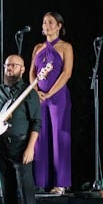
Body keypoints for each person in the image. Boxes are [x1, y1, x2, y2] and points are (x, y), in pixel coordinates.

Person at [0, 54, 41, 204]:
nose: (9, 69)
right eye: (7, 66)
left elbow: (36, 123)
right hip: (2, 148)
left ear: (22, 70)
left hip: (21, 147)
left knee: (26, 194)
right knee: (7, 194)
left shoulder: (29, 93)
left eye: (14, 66)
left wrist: (30, 148)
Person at [31, 11, 74, 193]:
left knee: (60, 138)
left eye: (50, 22)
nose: (46, 26)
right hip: (39, 96)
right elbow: (32, 72)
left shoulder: (65, 47)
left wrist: (49, 93)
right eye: (44, 22)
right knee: (39, 138)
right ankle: (39, 182)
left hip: (58, 97)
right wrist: (36, 91)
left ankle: (61, 183)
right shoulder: (38, 48)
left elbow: (66, 73)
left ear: (59, 26)